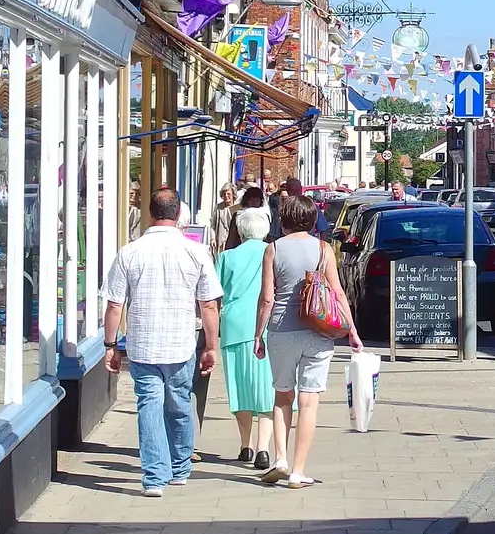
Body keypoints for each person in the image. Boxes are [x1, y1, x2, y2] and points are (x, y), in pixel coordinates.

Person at [100, 188, 221, 496]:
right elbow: (208, 305)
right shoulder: (196, 251)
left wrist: (110, 346)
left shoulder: (129, 252)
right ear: (179, 213)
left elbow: (115, 305)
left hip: (143, 345)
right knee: (179, 402)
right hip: (181, 343)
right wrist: (211, 345)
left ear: (149, 212)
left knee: (149, 407)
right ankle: (180, 468)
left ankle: (155, 477)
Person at [254, 192, 363, 489]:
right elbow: (338, 292)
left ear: (284, 219)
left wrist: (258, 335)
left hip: (280, 330)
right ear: (313, 219)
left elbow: (267, 298)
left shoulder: (272, 249)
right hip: (318, 330)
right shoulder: (323, 249)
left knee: (282, 395)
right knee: (309, 401)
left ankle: (279, 458)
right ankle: (298, 471)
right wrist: (351, 330)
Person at [216, 207, 276, 470]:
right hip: (267, 325)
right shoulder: (272, 252)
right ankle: (264, 447)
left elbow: (215, 292)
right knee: (267, 388)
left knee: (239, 387)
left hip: (234, 325)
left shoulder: (227, 257)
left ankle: (245, 445)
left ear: (240, 231)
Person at [210, 186, 238, 258]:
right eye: (224, 194)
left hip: (234, 242)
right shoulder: (219, 207)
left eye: (228, 194)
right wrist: (212, 238)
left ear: (233, 194)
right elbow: (213, 225)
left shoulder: (238, 207)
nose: (226, 196)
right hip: (221, 243)